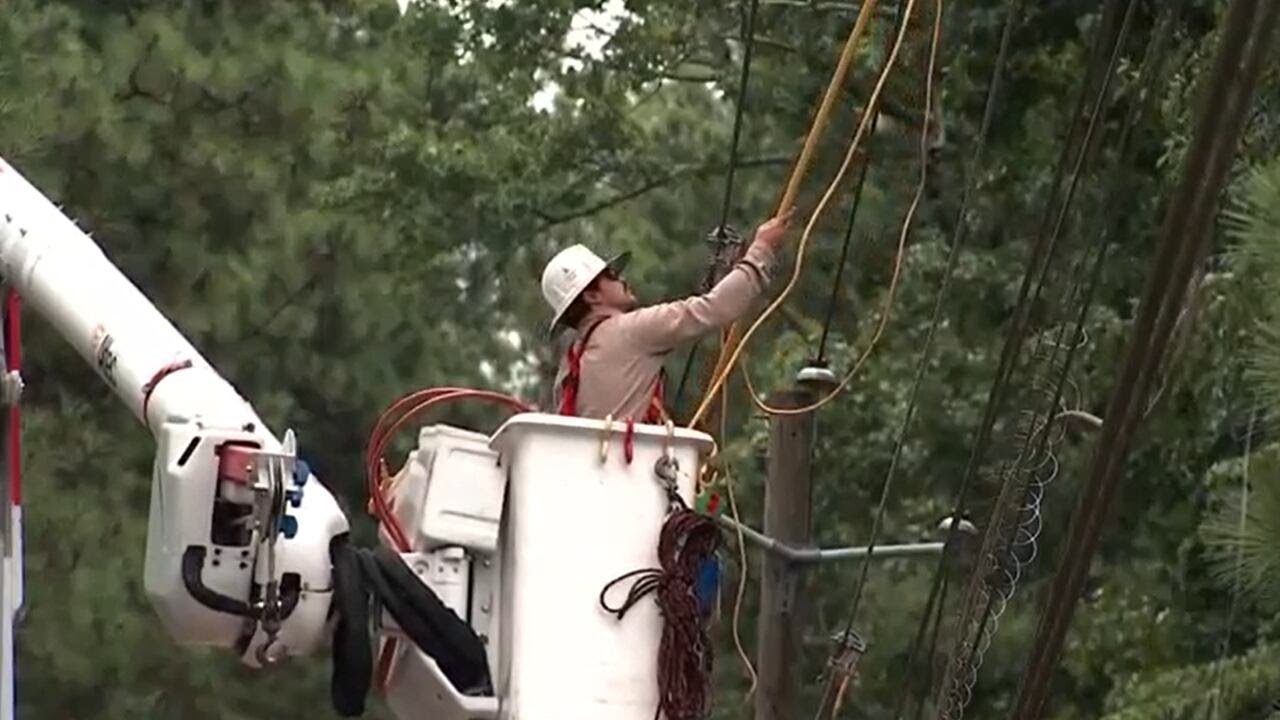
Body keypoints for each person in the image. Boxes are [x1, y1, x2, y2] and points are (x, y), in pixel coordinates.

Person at [542, 208, 795, 424]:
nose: (622, 278)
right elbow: (714, 308)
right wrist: (762, 248)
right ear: (592, 297)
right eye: (610, 275)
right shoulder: (631, 330)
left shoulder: (568, 367)